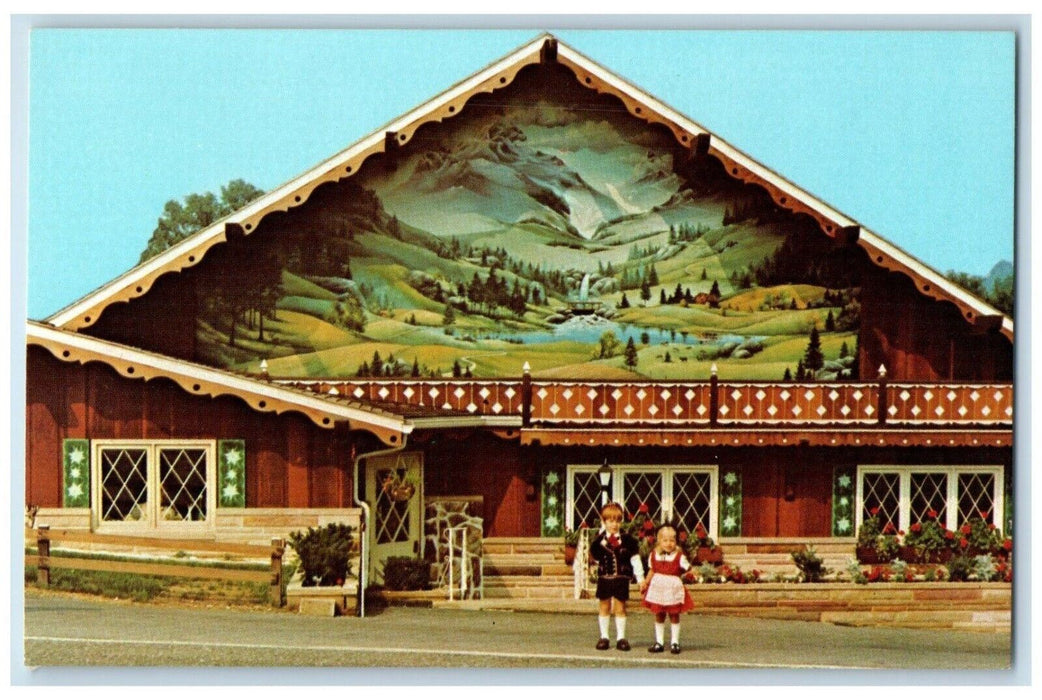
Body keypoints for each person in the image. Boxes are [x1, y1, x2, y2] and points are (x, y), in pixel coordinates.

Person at [588, 501, 645, 651]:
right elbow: (595, 559)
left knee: (620, 608)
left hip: (621, 579)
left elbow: (635, 560)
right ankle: (604, 637)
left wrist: (641, 579)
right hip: (605, 579)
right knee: (604, 607)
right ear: (604, 522)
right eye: (610, 521)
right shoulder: (598, 542)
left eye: (617, 521)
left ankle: (621, 638)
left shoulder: (628, 541)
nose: (614, 524)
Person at [640, 524, 694, 654]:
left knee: (674, 614)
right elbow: (652, 570)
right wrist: (645, 583)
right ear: (659, 540)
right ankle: (659, 642)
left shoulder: (679, 556)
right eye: (665, 540)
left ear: (676, 541)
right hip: (658, 589)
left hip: (672, 588)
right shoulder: (654, 555)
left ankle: (675, 642)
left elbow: (689, 568)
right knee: (659, 614)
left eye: (672, 540)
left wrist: (691, 574)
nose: (669, 543)